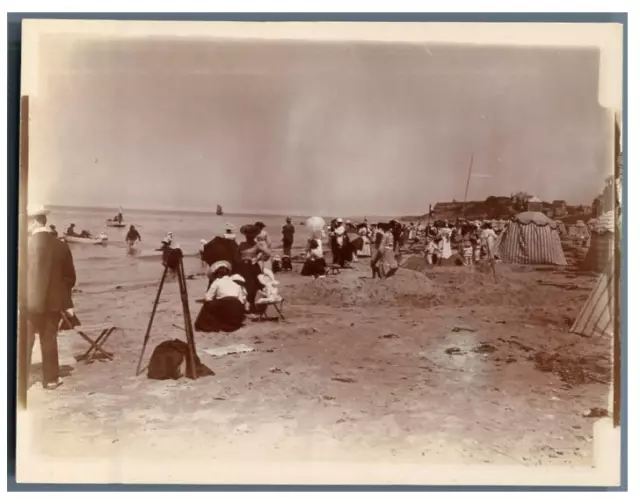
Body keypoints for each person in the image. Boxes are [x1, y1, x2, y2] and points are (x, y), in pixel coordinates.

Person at [26, 207, 76, 390]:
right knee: (49, 339)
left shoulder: (25, 245)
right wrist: (65, 300)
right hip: (53, 303)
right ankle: (51, 380)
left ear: (34, 222)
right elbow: (70, 278)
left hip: (27, 302)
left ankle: (21, 380)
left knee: (25, 341)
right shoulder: (61, 246)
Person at [194, 261, 246, 333]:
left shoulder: (217, 282)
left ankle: (204, 326)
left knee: (207, 305)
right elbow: (242, 300)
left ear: (217, 274)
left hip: (225, 305)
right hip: (237, 308)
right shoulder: (235, 283)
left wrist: (216, 299)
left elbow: (208, 298)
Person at [237, 224, 271, 313]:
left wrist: (258, 258)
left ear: (254, 236)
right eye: (247, 235)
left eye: (251, 235)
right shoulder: (241, 244)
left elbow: (267, 254)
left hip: (252, 268)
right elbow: (235, 256)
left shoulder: (257, 245)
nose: (249, 237)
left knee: (252, 287)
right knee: (242, 286)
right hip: (242, 268)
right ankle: (243, 305)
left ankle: (251, 305)